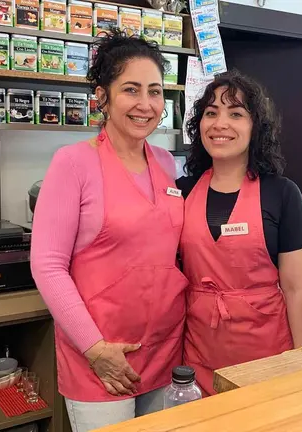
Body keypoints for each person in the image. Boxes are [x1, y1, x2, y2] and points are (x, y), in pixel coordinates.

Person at [30, 31, 187, 431]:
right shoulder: (73, 164)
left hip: (164, 349)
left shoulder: (168, 163)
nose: (145, 104)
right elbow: (47, 266)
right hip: (100, 357)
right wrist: (95, 349)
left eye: (154, 92)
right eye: (130, 90)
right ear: (102, 96)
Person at [177, 71, 302, 396]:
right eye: (211, 113)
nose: (220, 123)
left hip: (267, 362)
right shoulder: (181, 191)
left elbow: (297, 289)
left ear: (256, 127)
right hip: (198, 359)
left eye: (235, 113)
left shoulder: (282, 195)